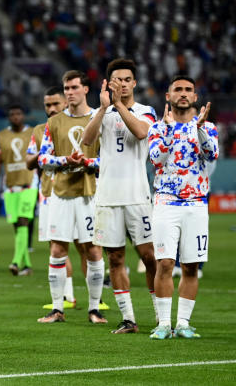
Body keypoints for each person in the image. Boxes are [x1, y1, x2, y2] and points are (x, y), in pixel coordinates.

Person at [81, 59, 159, 334]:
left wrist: (119, 105)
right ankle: (128, 318)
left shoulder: (146, 111)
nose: (123, 84)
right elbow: (87, 141)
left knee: (149, 257)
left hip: (137, 195)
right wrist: (103, 108)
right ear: (109, 83)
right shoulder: (102, 112)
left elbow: (140, 133)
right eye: (118, 80)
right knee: (115, 258)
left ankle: (162, 317)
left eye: (127, 80)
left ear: (134, 83)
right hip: (107, 197)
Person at [147, 75, 218, 339]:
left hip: (197, 203)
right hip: (166, 202)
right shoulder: (156, 128)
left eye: (188, 89)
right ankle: (164, 324)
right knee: (165, 263)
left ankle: (184, 323)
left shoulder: (207, 127)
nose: (183, 93)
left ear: (196, 97)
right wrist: (167, 131)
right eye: (178, 89)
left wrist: (198, 128)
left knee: (190, 266)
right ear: (168, 96)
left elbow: (212, 154)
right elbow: (156, 158)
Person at [37, 70, 106, 324]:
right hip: (62, 193)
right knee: (57, 249)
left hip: (90, 192)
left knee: (94, 251)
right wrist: (64, 160)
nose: (69, 92)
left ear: (86, 89)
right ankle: (57, 309)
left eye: (74, 87)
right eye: (66, 88)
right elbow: (43, 159)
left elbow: (108, 157)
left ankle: (94, 309)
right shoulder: (54, 122)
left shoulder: (99, 118)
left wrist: (90, 162)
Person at [27, 87, 79, 308]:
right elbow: (29, 162)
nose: (51, 109)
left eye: (55, 104)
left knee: (85, 246)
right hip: (48, 194)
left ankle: (96, 300)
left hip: (78, 192)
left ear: (65, 103)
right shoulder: (40, 130)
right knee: (56, 246)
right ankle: (67, 296)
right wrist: (45, 154)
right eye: (47, 105)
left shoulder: (78, 125)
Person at [0, 105, 36, 276]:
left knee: (24, 221)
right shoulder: (1, 136)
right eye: (12, 114)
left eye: (18, 113)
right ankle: (27, 265)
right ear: (8, 117)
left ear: (23, 115)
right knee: (17, 227)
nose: (15, 117)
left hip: (29, 184)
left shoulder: (33, 133)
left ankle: (16, 262)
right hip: (10, 186)